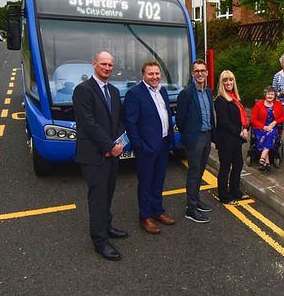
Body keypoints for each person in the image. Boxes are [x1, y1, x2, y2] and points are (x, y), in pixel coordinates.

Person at [72, 50, 127, 261]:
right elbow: (88, 123)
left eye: (110, 65)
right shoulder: (83, 90)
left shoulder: (113, 90)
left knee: (109, 193)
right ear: (94, 64)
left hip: (112, 153)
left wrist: (118, 144)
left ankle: (107, 226)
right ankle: (100, 242)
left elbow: (119, 120)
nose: (107, 68)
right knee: (97, 197)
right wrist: (108, 146)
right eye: (103, 64)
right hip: (93, 155)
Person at [124, 61, 176, 235]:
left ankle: (158, 211)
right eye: (150, 74)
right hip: (146, 147)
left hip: (162, 144)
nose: (155, 77)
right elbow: (130, 123)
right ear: (143, 75)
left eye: (157, 73)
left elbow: (166, 114)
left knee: (159, 179)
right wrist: (139, 146)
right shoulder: (134, 94)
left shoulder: (162, 90)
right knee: (146, 182)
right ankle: (145, 217)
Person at [176, 59, 215, 224]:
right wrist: (188, 138)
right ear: (192, 74)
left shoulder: (208, 91)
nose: (200, 73)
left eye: (202, 71)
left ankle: (196, 199)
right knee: (193, 173)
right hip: (194, 138)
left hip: (207, 136)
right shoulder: (186, 93)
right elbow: (180, 119)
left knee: (200, 171)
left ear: (206, 73)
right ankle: (190, 209)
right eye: (196, 71)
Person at [214, 70, 250, 205]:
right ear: (221, 83)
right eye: (225, 80)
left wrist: (245, 128)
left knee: (238, 164)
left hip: (235, 139)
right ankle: (224, 195)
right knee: (225, 167)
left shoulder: (235, 98)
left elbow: (242, 118)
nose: (228, 82)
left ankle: (235, 191)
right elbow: (223, 122)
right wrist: (240, 132)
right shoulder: (220, 100)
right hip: (225, 140)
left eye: (231, 80)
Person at [250, 86, 284, 170]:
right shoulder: (258, 105)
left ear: (275, 96)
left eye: (272, 94)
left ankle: (263, 157)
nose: (270, 96)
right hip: (260, 127)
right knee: (263, 136)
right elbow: (253, 119)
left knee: (270, 135)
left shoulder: (278, 104)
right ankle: (266, 161)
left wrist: (275, 122)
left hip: (272, 128)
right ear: (265, 95)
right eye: (268, 94)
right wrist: (263, 127)